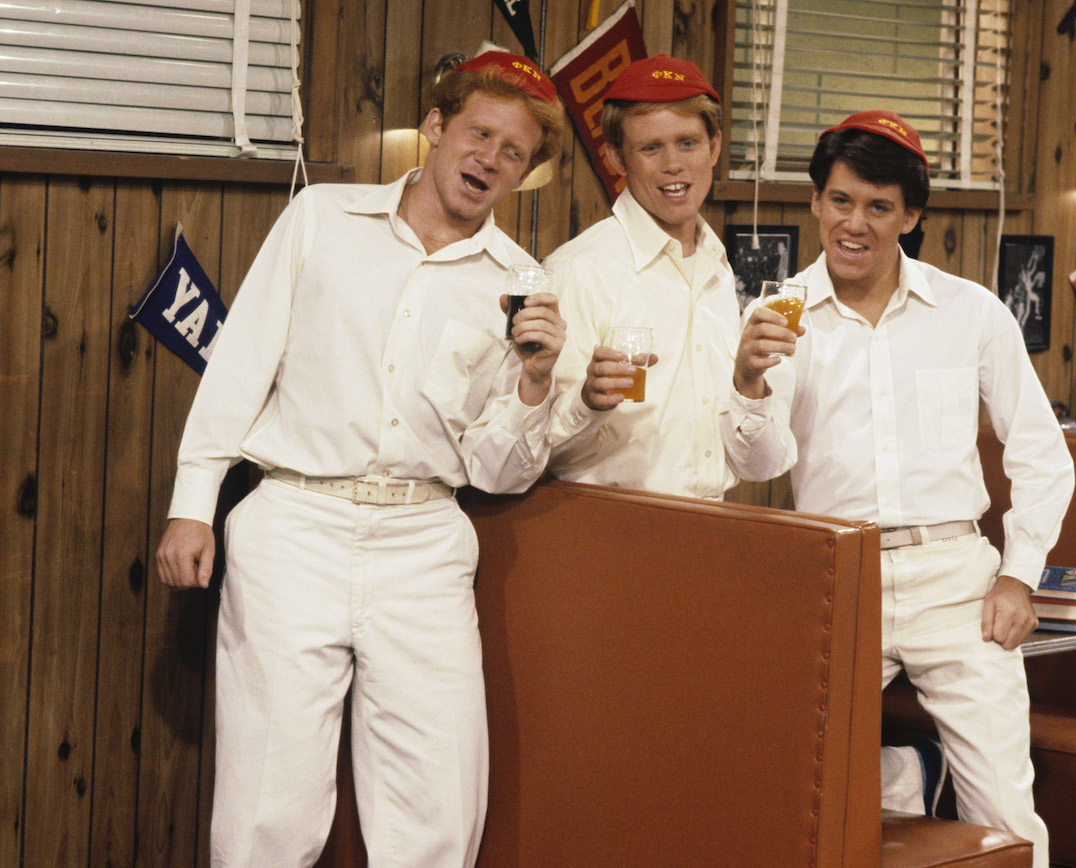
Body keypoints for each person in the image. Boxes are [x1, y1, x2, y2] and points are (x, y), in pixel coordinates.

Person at [154, 52, 567, 867]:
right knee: (267, 805)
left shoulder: (524, 282)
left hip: (424, 543)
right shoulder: (321, 218)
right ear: (439, 128)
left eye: (513, 152)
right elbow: (243, 364)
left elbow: (494, 470)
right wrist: (192, 503)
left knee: (437, 804)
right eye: (479, 133)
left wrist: (536, 382)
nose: (489, 158)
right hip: (292, 525)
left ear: (524, 173)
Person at [722, 110, 1074, 868]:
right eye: (841, 201)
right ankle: (900, 773)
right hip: (837, 576)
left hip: (957, 578)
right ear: (816, 202)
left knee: (1006, 810)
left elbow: (1042, 452)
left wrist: (1019, 576)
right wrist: (748, 382)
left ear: (910, 217)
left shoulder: (972, 312)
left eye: (879, 207)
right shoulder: (777, 314)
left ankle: (903, 773)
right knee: (784, 772)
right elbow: (760, 466)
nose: (856, 224)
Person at [543, 54, 740, 498]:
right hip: (609, 533)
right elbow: (534, 452)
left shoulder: (718, 268)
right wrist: (586, 403)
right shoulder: (577, 271)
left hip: (715, 531)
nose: (674, 164)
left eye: (687, 142)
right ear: (616, 157)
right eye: (651, 148)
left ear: (714, 147)